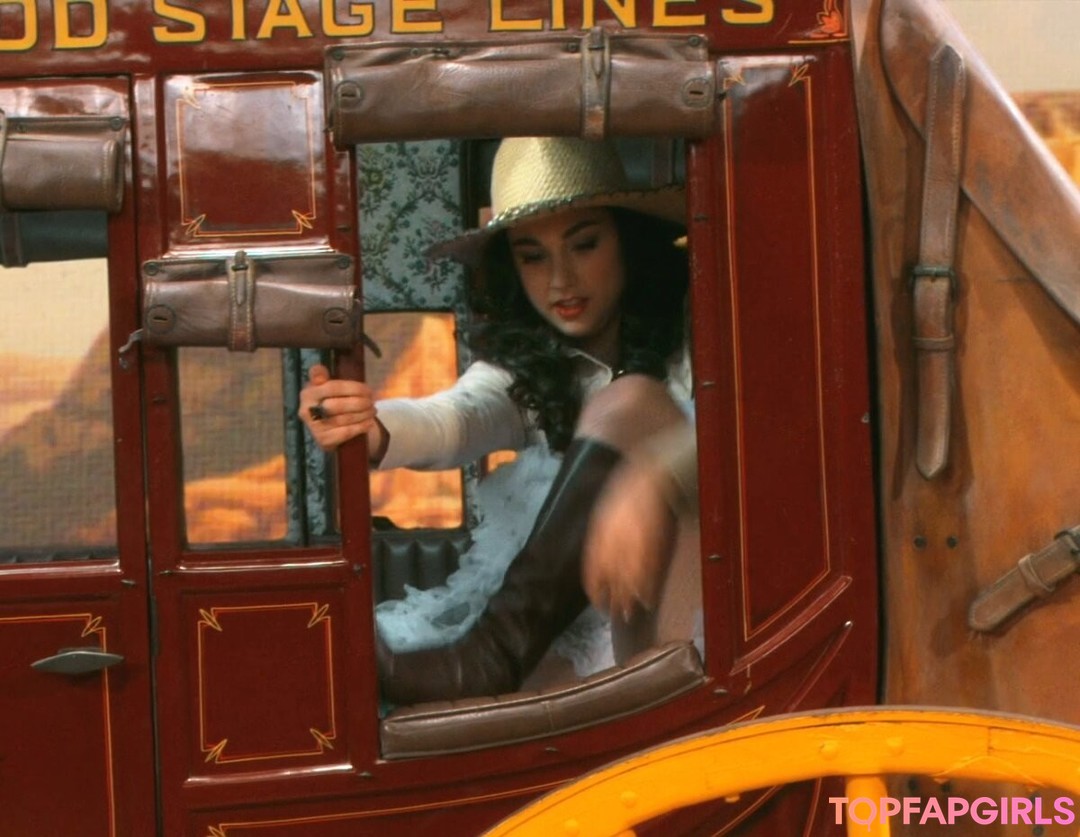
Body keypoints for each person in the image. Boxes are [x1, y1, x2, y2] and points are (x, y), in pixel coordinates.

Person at [299, 136, 697, 706]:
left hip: (704, 609)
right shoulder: (527, 370)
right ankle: (495, 660)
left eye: (584, 244)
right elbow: (456, 418)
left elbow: (756, 443)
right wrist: (373, 428)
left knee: (632, 400)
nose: (560, 280)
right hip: (594, 625)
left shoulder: (704, 334)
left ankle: (493, 655)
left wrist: (654, 478)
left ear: (627, 239)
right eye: (532, 256)